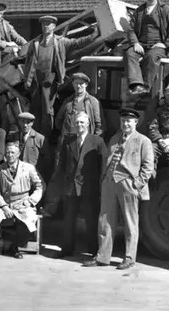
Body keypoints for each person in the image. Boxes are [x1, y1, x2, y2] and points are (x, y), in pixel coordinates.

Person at [83, 108, 154, 270]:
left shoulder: (143, 141)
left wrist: (137, 184)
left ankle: (129, 258)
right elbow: (107, 160)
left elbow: (148, 166)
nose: (125, 124)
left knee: (130, 222)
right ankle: (102, 257)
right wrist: (104, 179)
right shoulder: (115, 138)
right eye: (123, 121)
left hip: (128, 183)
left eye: (129, 121)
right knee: (105, 220)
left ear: (136, 122)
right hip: (110, 182)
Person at [21, 15, 99, 138]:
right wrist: (27, 79)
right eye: (43, 24)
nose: (45, 26)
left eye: (48, 24)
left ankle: (45, 138)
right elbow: (28, 63)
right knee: (35, 109)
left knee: (47, 110)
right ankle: (33, 137)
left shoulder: (61, 42)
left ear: (54, 26)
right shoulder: (35, 43)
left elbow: (77, 43)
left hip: (49, 80)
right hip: (35, 80)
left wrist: (93, 35)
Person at [50, 111, 108, 259]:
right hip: (71, 187)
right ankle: (67, 249)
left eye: (82, 122)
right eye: (76, 122)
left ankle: (94, 251)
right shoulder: (68, 141)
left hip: (89, 187)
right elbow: (62, 163)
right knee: (68, 220)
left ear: (88, 124)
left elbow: (103, 165)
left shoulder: (97, 141)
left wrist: (100, 186)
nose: (79, 125)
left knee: (91, 220)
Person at [0, 142, 44, 259]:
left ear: (18, 154)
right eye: (8, 152)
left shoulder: (28, 168)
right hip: (5, 203)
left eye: (13, 152)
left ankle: (16, 247)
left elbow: (40, 186)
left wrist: (30, 201)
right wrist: (4, 206)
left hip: (23, 203)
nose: (10, 155)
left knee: (29, 219)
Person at [124, 0, 169, 95]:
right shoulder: (139, 11)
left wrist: (165, 44)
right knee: (130, 53)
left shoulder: (165, 9)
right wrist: (135, 43)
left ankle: (146, 86)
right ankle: (136, 84)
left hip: (157, 45)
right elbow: (131, 30)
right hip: (141, 44)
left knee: (151, 56)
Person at [55, 72, 103, 137]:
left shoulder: (93, 102)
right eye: (76, 83)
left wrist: (94, 140)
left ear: (86, 84)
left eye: (81, 83)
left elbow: (98, 125)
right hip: (69, 138)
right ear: (73, 84)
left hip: (85, 139)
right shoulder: (68, 101)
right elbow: (59, 120)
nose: (78, 86)